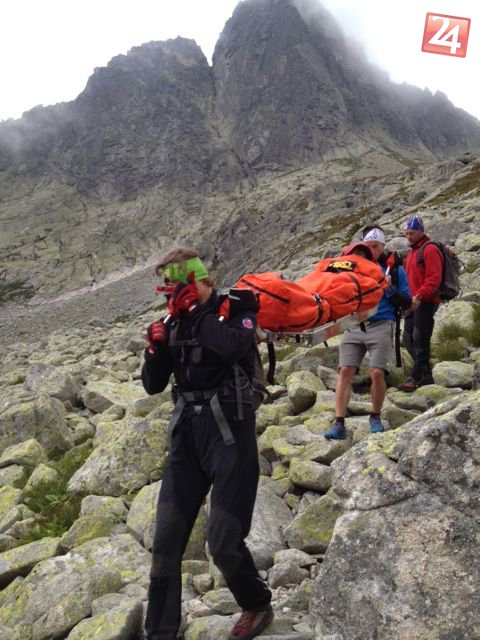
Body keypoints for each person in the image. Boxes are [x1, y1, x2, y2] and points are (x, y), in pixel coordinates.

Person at [141, 247, 273, 640]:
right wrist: (154, 350)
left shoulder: (237, 307)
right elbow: (152, 384)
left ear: (200, 279)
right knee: (165, 543)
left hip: (230, 431)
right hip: (187, 437)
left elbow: (233, 346)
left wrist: (196, 312)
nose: (172, 296)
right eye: (168, 290)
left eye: (178, 286)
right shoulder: (174, 321)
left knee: (223, 541)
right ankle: (160, 632)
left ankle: (257, 604)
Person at [324, 227, 411, 440]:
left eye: (376, 246)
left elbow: (407, 301)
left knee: (377, 372)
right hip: (354, 324)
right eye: (368, 246)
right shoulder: (353, 267)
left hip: (382, 324)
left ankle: (375, 416)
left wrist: (388, 288)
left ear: (383, 246)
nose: (372, 250)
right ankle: (339, 422)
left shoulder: (395, 270)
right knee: (345, 371)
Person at [398, 215, 443, 392]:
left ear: (421, 231)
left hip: (426, 301)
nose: (409, 237)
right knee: (408, 338)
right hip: (412, 302)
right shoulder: (412, 252)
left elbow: (434, 278)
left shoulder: (429, 249)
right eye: (406, 233)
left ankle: (416, 377)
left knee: (420, 337)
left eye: (412, 233)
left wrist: (419, 296)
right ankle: (426, 373)